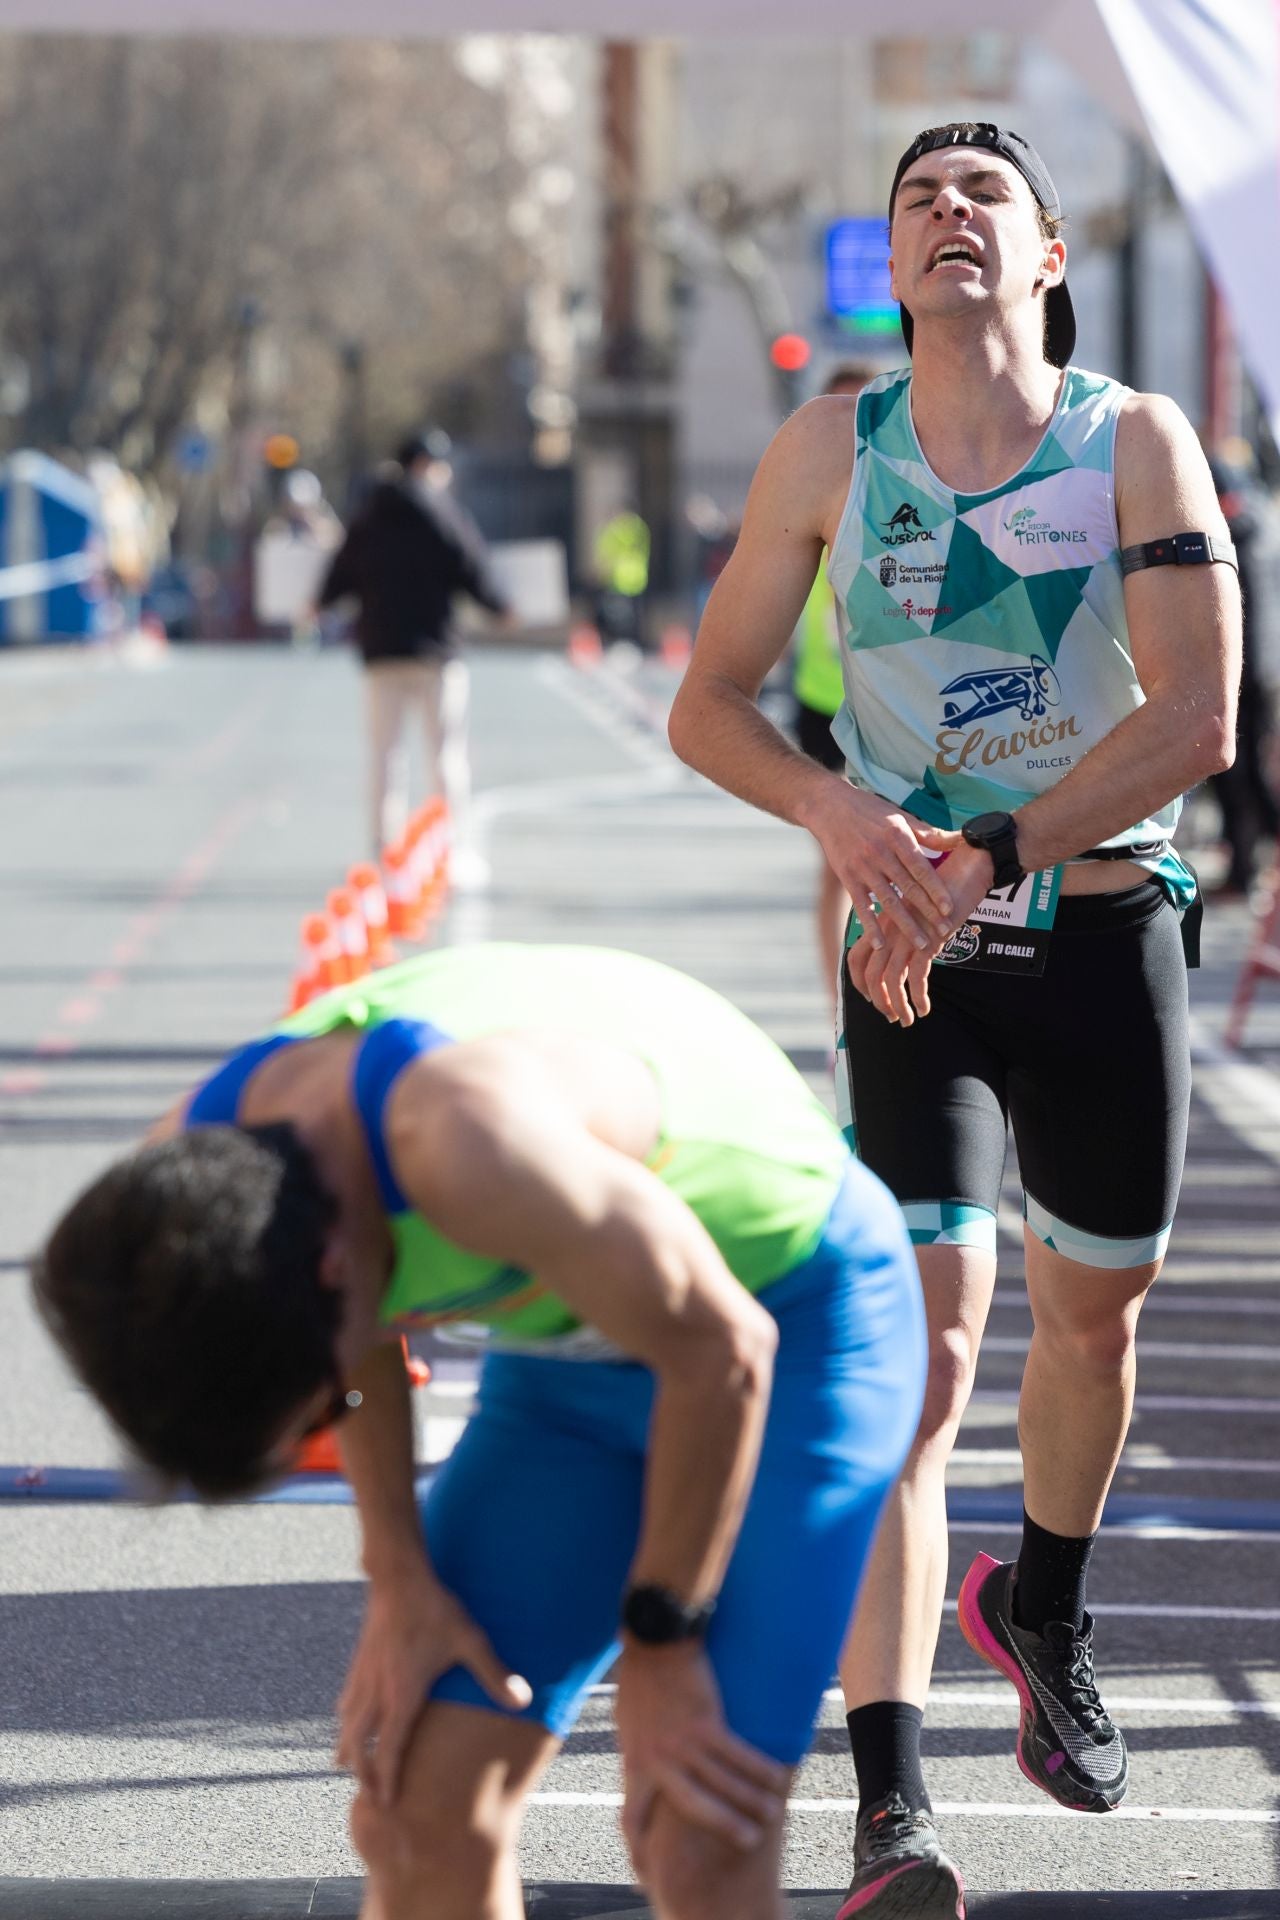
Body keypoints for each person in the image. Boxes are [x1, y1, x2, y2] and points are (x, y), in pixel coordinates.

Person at [669, 122, 1240, 1920]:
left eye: (983, 194)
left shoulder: (1132, 440)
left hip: (1096, 925)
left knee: (1091, 1318)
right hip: (914, 944)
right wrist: (846, 819)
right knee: (917, 1364)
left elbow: (1202, 719)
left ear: (1050, 254)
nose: (947, 215)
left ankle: (1041, 1609)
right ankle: (892, 1812)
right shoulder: (832, 449)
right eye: (919, 198)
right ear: (893, 264)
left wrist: (999, 848)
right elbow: (709, 701)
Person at [34, 943, 926, 1920]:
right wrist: (397, 1576)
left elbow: (722, 1355)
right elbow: (349, 1348)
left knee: (699, 1833)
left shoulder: (468, 1140)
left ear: (334, 1271)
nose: (339, 1403)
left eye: (323, 1406)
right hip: (573, 1356)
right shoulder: (205, 1182)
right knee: (416, 1813)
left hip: (788, 1326)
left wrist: (662, 1648)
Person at [317, 430, 513, 881]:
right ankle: (452, 849)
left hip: (380, 650)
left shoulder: (368, 515)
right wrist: (503, 608)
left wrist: (318, 601)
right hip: (435, 653)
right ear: (429, 465)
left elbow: (341, 572)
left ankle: (384, 851)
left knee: (386, 755)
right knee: (445, 755)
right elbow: (472, 568)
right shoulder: (442, 511)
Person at [790, 364, 876, 1018]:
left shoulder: (901, 489)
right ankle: (839, 1004)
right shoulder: (805, 487)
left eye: (859, 409)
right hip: (823, 704)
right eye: (836, 407)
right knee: (839, 867)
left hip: (889, 712)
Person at [1206, 453, 1278, 897]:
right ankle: (1247, 863)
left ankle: (1246, 870)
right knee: (1246, 772)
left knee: (1238, 775)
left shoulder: (1238, 534)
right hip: (1261, 667)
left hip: (1245, 673)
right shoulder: (1262, 522)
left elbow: (1239, 614)